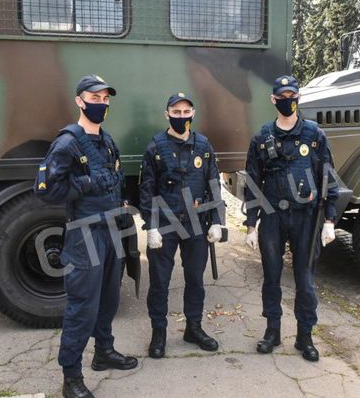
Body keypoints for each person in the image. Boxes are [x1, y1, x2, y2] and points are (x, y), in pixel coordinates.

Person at [35, 74, 137, 398]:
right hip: (85, 236)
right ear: (79, 101)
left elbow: (115, 179)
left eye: (105, 99)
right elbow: (45, 191)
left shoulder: (107, 141)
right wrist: (84, 184)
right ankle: (72, 377)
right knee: (82, 307)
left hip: (111, 231)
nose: (102, 104)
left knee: (109, 300)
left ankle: (103, 352)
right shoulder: (67, 143)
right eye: (95, 98)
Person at [242, 75, 338, 362]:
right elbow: (253, 183)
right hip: (272, 217)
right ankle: (272, 332)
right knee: (271, 277)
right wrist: (250, 224)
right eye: (282, 97)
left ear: (298, 98)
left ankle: (304, 336)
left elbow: (327, 177)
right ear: (273, 100)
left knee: (305, 281)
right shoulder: (262, 138)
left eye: (291, 96)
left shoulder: (314, 135)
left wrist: (330, 220)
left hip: (306, 218)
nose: (288, 101)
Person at [138, 92, 225, 359]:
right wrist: (151, 226)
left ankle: (193, 328)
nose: (181, 116)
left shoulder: (203, 145)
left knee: (195, 279)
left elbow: (214, 184)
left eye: (186, 112)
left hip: (197, 224)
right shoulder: (155, 147)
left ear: (193, 114)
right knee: (159, 282)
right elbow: (147, 189)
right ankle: (159, 333)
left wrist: (217, 221)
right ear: (167, 115)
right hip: (165, 224)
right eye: (176, 112)